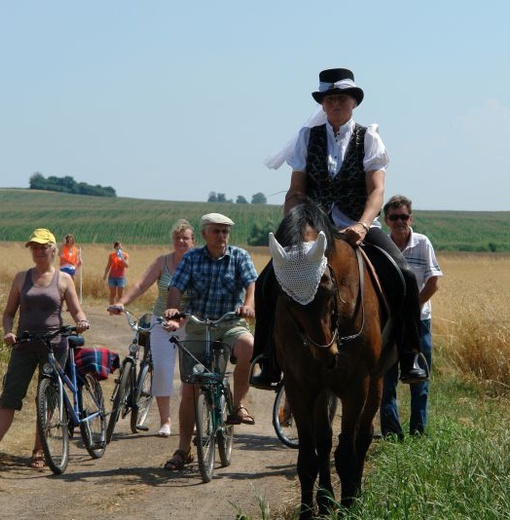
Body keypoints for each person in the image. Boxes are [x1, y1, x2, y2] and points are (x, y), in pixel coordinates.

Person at [251, 67, 427, 389]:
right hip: (313, 227)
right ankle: (266, 359)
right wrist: (294, 219)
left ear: (353, 103)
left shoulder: (368, 137)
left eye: (341, 99)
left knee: (403, 275)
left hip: (355, 225)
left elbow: (376, 190)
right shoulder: (308, 138)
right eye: (330, 99)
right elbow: (296, 190)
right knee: (267, 281)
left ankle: (409, 353)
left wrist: (362, 225)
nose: (335, 104)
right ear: (323, 104)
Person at [0, 228, 90, 467]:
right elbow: (8, 313)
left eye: (43, 247)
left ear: (53, 250)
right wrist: (8, 331)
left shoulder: (64, 279)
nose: (38, 251)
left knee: (47, 398)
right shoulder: (21, 278)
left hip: (54, 345)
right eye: (34, 247)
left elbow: (76, 310)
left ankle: (39, 451)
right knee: (9, 398)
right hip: (23, 344)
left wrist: (81, 321)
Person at [162, 212, 258, 471]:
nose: (222, 236)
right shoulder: (192, 258)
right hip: (198, 325)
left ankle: (238, 405)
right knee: (190, 388)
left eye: (225, 231)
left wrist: (248, 306)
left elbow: (251, 284)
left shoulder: (239, 256)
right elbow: (176, 287)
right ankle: (183, 450)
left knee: (249, 346)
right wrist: (172, 313)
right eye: (216, 231)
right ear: (204, 234)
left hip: (230, 324)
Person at [108, 220, 195, 437]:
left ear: (194, 241)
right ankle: (165, 420)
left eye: (185, 238)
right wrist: (122, 302)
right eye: (177, 238)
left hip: (191, 322)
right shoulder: (163, 262)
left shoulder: (198, 263)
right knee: (163, 369)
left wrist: (183, 319)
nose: (181, 241)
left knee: (192, 375)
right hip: (162, 321)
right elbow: (140, 285)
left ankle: (191, 419)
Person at [380, 195, 442, 438]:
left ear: (410, 218)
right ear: (386, 220)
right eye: (394, 217)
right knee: (386, 381)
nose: (399, 221)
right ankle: (391, 434)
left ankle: (418, 433)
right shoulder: (382, 244)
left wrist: (411, 308)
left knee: (419, 379)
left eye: (403, 216)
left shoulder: (422, 243)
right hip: (387, 322)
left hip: (418, 322)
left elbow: (434, 281)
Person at [103, 241, 130, 305]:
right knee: (113, 294)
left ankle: (119, 309)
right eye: (117, 247)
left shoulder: (125, 255)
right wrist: (105, 274)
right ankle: (112, 309)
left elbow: (127, 265)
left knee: (120, 295)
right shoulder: (112, 255)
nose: (119, 248)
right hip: (112, 277)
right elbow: (108, 265)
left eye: (120, 247)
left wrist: (122, 258)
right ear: (115, 248)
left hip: (121, 277)